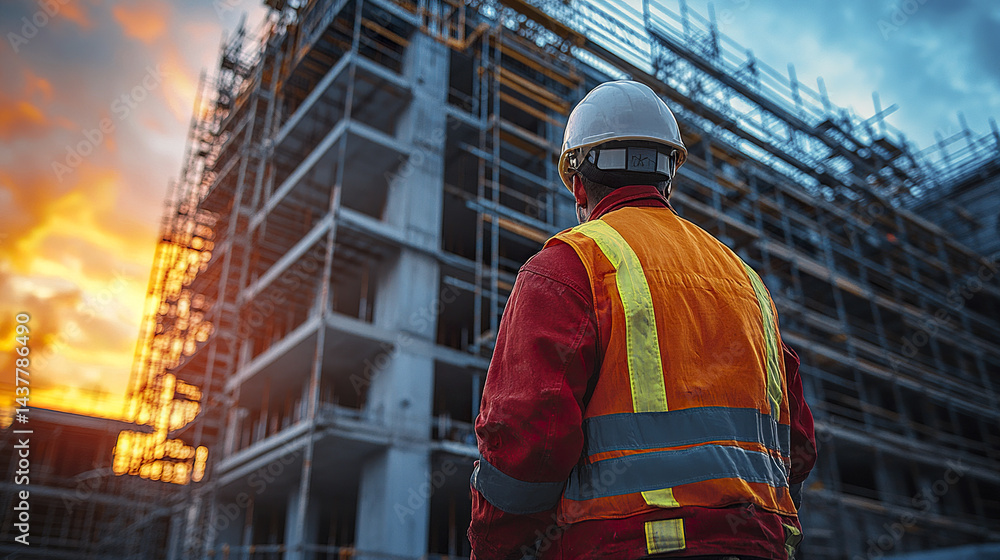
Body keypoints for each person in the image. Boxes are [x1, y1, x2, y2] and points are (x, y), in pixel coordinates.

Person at [468, 80, 816, 560]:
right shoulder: (747, 283)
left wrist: (495, 550)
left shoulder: (570, 266)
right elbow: (796, 443)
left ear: (577, 183)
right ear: (668, 176)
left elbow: (526, 445)